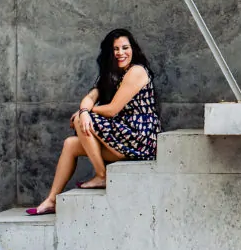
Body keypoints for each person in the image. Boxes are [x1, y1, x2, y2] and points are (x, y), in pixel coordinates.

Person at [26, 29, 161, 215]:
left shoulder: (136, 71)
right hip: (123, 138)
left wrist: (86, 113)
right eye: (116, 49)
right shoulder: (112, 75)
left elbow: (113, 109)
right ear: (110, 52)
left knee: (84, 120)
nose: (121, 53)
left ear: (133, 49)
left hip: (140, 137)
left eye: (125, 48)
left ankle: (102, 175)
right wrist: (83, 111)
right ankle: (51, 200)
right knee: (71, 144)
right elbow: (90, 97)